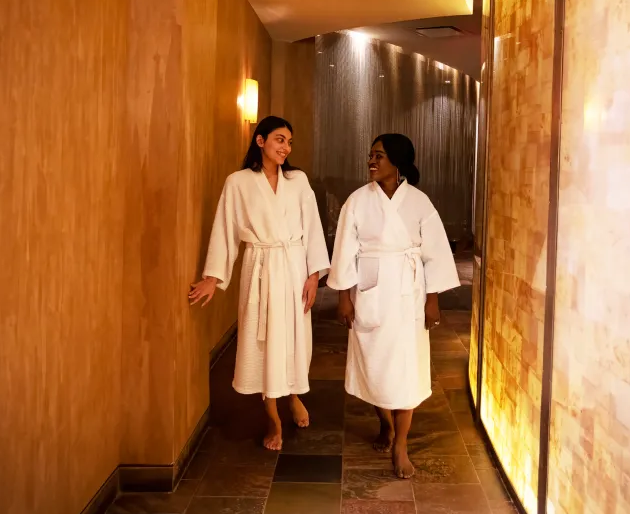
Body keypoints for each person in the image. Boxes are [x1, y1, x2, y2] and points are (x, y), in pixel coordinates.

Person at [188, 116, 330, 451]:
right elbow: (225, 229)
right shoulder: (238, 183)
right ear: (260, 140)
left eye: (290, 142)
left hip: (294, 265)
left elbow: (311, 227)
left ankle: (293, 394)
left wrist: (313, 275)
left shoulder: (297, 181)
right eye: (280, 139)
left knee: (293, 338)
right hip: (260, 268)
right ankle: (273, 418)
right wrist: (212, 277)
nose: (286, 148)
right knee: (264, 341)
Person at [328, 133, 460, 478]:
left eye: (379, 156)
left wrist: (433, 300)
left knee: (406, 368)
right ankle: (384, 422)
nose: (372, 161)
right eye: (370, 155)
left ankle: (401, 444)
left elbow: (435, 255)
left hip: (408, 295)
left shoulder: (419, 202)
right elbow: (344, 251)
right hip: (370, 292)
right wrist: (343, 296)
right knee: (375, 362)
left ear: (397, 161)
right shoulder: (356, 202)